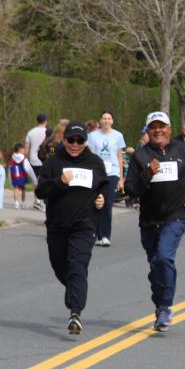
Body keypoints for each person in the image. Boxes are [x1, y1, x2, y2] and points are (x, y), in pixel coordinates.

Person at [124, 111, 185, 332]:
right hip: (149, 219)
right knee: (156, 265)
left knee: (164, 257)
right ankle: (160, 304)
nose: (158, 130)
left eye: (162, 126)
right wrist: (147, 174)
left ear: (169, 128)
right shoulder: (140, 156)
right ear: (148, 131)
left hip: (176, 215)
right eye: (153, 127)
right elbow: (131, 189)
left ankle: (165, 307)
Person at [35, 122, 109, 334]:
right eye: (71, 140)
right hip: (57, 225)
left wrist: (102, 197)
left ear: (85, 141)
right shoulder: (54, 162)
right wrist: (59, 181)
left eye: (80, 140)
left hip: (84, 225)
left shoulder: (94, 162)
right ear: (64, 139)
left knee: (78, 266)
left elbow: (104, 185)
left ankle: (75, 313)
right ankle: (76, 289)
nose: (75, 144)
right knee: (61, 268)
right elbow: (40, 192)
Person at [86, 111, 126, 246]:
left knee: (107, 204)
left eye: (109, 118)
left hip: (112, 173)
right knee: (97, 202)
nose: (106, 121)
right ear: (100, 121)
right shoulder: (92, 136)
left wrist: (121, 178)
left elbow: (120, 157)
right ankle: (97, 235)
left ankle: (105, 236)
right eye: (104, 118)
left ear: (112, 121)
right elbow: (90, 155)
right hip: (97, 173)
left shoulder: (118, 136)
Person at [9, 143, 36, 209]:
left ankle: (16, 203)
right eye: (23, 149)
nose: (24, 151)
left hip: (15, 176)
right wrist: (34, 178)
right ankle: (23, 203)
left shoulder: (12, 158)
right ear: (20, 150)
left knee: (16, 188)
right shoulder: (24, 158)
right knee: (23, 189)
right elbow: (28, 168)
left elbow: (9, 168)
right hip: (22, 176)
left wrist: (10, 178)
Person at [25, 114, 50, 179]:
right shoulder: (49, 133)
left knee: (35, 181)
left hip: (33, 160)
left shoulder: (30, 132)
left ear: (37, 121)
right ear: (45, 121)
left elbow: (26, 150)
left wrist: (26, 160)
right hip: (46, 160)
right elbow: (52, 147)